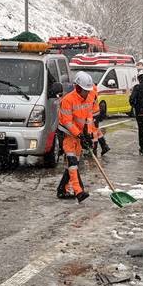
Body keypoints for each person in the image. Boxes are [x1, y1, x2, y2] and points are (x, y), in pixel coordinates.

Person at [56, 71, 99, 202]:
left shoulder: (90, 95)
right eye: (84, 90)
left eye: (88, 90)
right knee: (73, 163)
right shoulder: (68, 100)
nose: (87, 93)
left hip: (80, 135)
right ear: (78, 88)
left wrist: (89, 135)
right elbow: (67, 122)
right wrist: (80, 135)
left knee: (73, 164)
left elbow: (89, 117)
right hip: (67, 134)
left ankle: (62, 190)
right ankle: (79, 192)